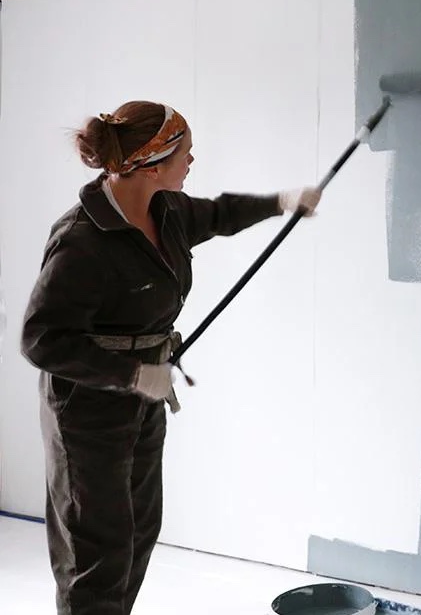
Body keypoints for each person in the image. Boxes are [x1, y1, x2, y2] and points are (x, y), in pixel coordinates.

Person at [20, 100, 321, 615]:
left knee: (138, 529)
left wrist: (280, 202)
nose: (192, 160)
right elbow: (41, 338)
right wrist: (131, 373)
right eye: (186, 151)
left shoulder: (167, 211)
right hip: (87, 411)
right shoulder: (84, 241)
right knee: (98, 546)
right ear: (153, 162)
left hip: (145, 396)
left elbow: (220, 213)